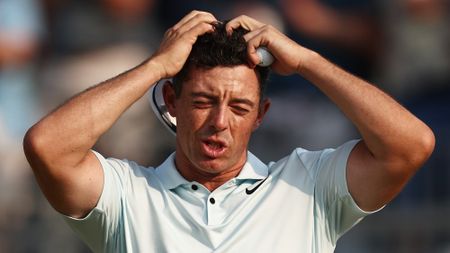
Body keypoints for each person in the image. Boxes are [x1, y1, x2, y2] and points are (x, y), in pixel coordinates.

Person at [23, 11, 435, 252]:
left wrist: (308, 60)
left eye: (239, 107)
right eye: (203, 102)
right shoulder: (127, 195)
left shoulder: (308, 186)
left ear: (261, 115)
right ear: (171, 101)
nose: (219, 121)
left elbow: (410, 144)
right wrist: (155, 65)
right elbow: (48, 147)